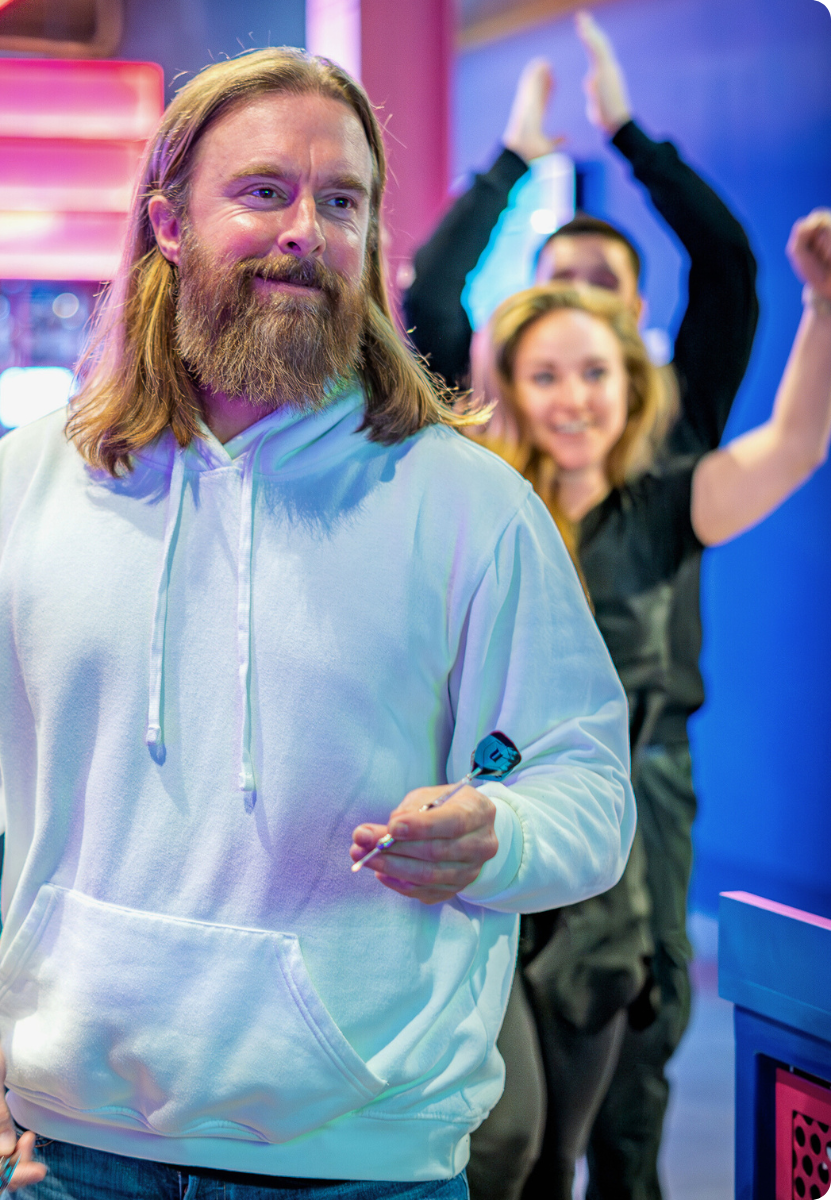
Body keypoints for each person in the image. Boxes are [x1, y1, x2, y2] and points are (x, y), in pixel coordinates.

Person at [0, 47, 638, 1199]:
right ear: (168, 223)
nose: (306, 233)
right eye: (266, 191)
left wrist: (501, 833)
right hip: (65, 1148)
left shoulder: (468, 505)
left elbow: (588, 788)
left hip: (363, 1165)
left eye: (342, 202)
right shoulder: (27, 484)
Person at [403, 15, 759, 1198]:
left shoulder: (671, 445)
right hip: (505, 778)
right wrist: (513, 157)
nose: (577, 318)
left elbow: (730, 272)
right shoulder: (488, 465)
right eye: (556, 293)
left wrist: (628, 135)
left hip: (644, 778)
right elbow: (430, 298)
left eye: (603, 296)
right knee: (508, 1118)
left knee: (633, 1075)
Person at [479, 206, 831, 1200]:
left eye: (595, 373)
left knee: (596, 1129)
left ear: (631, 383)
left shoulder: (669, 502)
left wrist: (821, 303)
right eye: (546, 375)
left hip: (618, 856)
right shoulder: (481, 504)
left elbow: (795, 445)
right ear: (509, 386)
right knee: (501, 1143)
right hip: (494, 849)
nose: (573, 399)